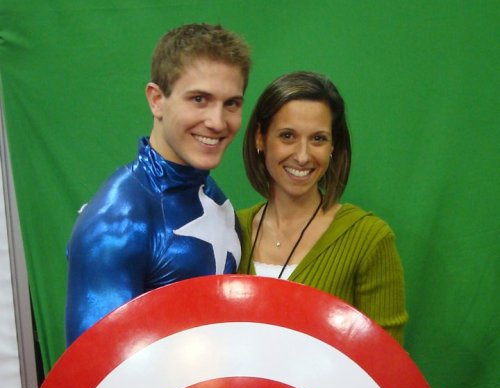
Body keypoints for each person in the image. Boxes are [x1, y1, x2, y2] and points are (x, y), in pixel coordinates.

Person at [65, 23, 251, 345]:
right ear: (156, 100)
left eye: (231, 103)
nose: (218, 122)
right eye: (199, 99)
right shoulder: (117, 220)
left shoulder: (214, 197)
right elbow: (94, 379)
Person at [237, 71, 408, 344]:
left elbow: (385, 372)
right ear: (260, 138)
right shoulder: (229, 230)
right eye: (287, 136)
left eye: (318, 139)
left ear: (333, 146)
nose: (303, 156)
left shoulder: (369, 239)